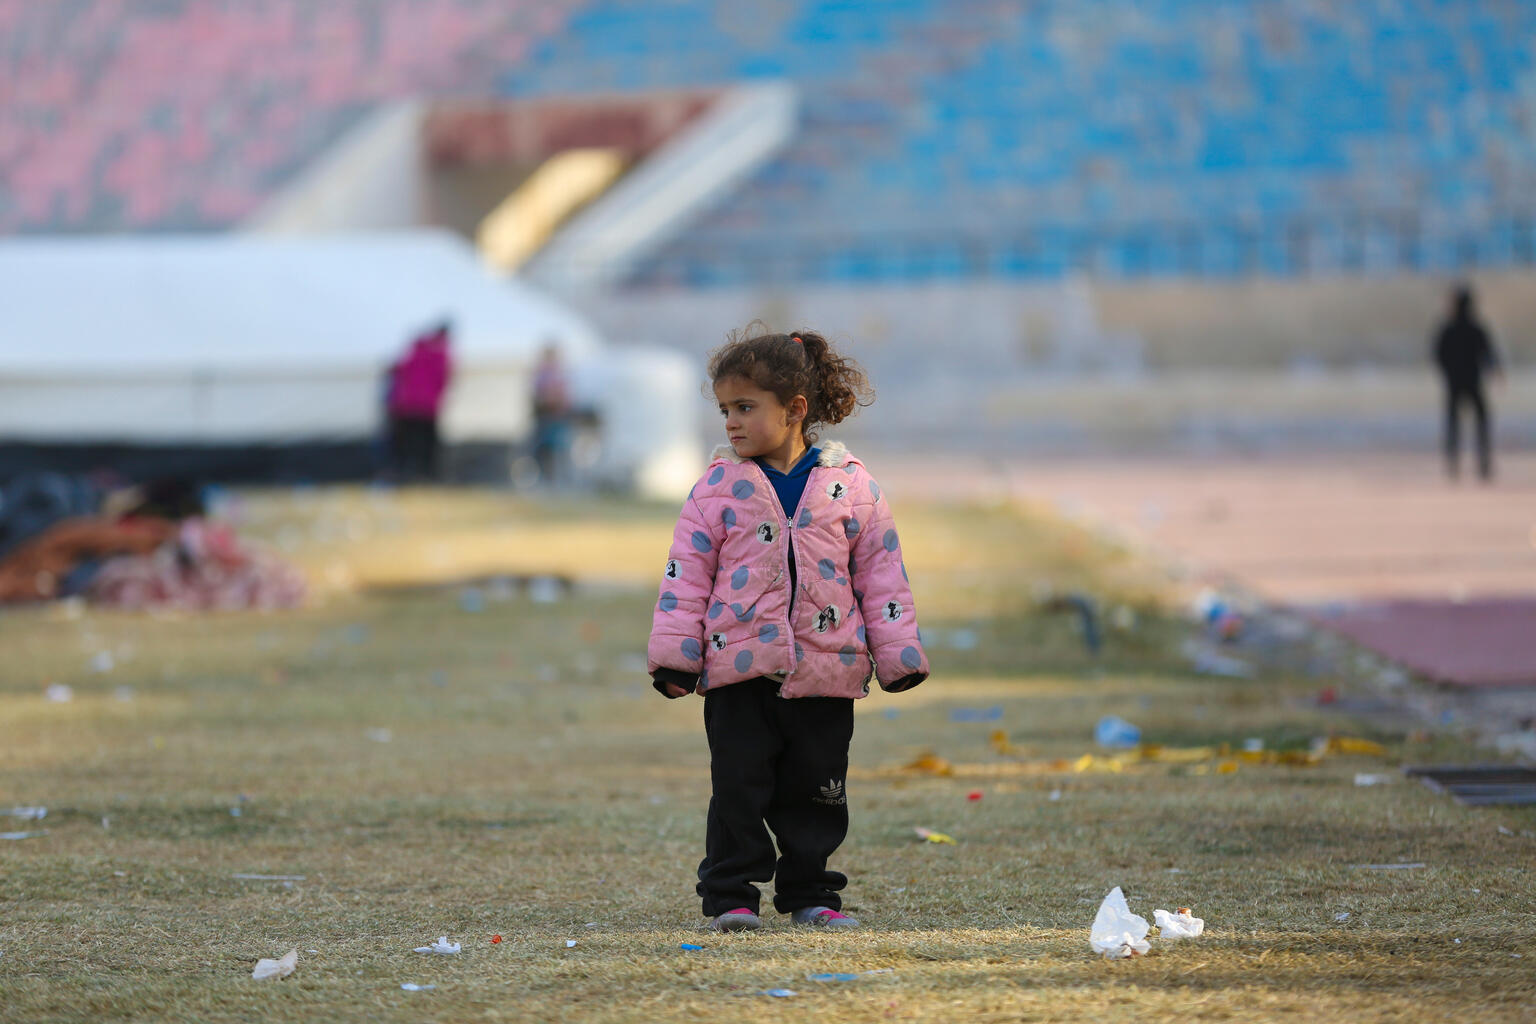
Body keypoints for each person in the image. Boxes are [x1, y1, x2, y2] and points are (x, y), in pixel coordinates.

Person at [647, 326, 930, 933]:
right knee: (737, 791)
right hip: (738, 674)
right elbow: (685, 576)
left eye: (745, 407)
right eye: (725, 409)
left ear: (795, 409)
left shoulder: (852, 486)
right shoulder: (716, 489)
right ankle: (732, 897)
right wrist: (677, 656)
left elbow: (881, 574)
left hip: (828, 672)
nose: (731, 422)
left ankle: (812, 893)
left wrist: (897, 655)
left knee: (817, 792)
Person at [1432, 284, 1502, 481]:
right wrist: (1496, 372)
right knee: (1480, 423)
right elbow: (1489, 355)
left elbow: (1438, 356)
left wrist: (1448, 373)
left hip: (1456, 384)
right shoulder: (1475, 328)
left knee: (1454, 424)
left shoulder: (1449, 329)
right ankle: (1482, 464)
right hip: (1472, 382)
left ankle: (1455, 464)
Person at [387, 321, 454, 481]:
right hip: (427, 407)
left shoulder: (416, 349)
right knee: (427, 443)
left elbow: (399, 370)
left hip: (407, 404)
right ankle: (427, 474)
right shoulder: (441, 354)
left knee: (406, 442)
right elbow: (443, 379)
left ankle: (404, 472)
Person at [530, 342, 573, 485]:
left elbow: (563, 395)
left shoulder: (559, 373)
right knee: (543, 450)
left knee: (558, 448)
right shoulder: (542, 373)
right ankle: (545, 478)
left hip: (556, 416)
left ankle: (558, 479)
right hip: (545, 415)